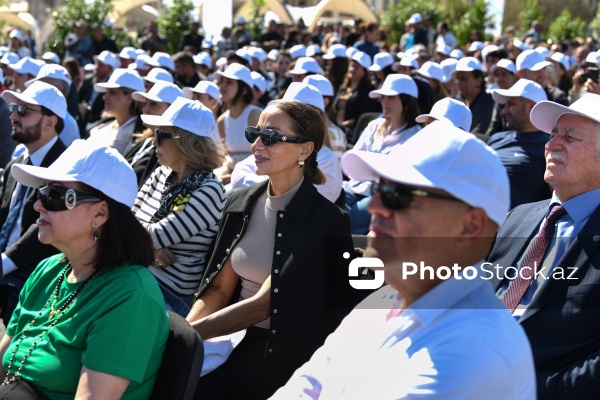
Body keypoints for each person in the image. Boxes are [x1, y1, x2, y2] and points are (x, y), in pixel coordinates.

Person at [272, 121, 536, 399]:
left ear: (469, 226)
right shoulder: (389, 298)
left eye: (397, 195)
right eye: (380, 189)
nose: (374, 206)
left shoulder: (475, 352)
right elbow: (310, 382)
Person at [186, 99, 360, 399]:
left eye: (270, 138)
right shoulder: (240, 202)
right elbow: (217, 290)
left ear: (304, 150)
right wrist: (182, 337)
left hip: (282, 354)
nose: (256, 145)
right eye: (255, 134)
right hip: (231, 338)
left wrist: (188, 336)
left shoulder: (326, 221)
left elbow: (263, 305)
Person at [0, 139, 168, 398]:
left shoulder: (130, 296)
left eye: (54, 196)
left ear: (100, 214)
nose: (38, 204)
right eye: (43, 192)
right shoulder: (48, 270)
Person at [487, 93, 600, 399]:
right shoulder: (520, 217)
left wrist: (536, 390)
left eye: (570, 136)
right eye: (552, 135)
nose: (552, 144)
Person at [133, 98, 226, 317]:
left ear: (185, 141)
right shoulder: (162, 172)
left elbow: (146, 233)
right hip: (141, 276)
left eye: (160, 134)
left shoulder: (210, 190)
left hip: (169, 295)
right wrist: (153, 248)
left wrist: (149, 242)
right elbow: (130, 217)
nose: (154, 142)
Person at [0, 81, 68, 325]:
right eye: (13, 109)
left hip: (33, 270)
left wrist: (4, 263)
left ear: (50, 122)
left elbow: (42, 230)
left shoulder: (65, 168)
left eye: (24, 111)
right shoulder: (17, 161)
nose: (14, 116)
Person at [343, 74, 421, 234]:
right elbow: (356, 157)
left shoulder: (416, 136)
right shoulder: (374, 126)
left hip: (384, 196)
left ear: (407, 101)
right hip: (355, 186)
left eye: (391, 97)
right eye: (383, 97)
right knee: (326, 208)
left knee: (344, 220)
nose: (384, 101)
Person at [488, 79, 551, 208]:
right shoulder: (496, 139)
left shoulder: (551, 146)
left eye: (510, 104)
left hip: (513, 224)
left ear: (531, 107)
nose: (504, 111)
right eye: (504, 105)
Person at [126, 80, 184, 185]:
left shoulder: (169, 152)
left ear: (172, 111)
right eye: (145, 103)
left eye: (153, 104)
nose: (145, 109)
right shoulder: (145, 140)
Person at [214, 63, 262, 184]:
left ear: (244, 90)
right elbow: (226, 156)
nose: (222, 86)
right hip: (232, 173)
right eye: (222, 81)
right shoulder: (221, 121)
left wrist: (233, 178)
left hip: (255, 176)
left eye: (229, 82)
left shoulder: (255, 115)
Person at [87, 68, 145, 155]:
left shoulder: (139, 133)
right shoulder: (104, 124)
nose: (104, 97)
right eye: (106, 92)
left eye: (112, 92)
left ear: (129, 97)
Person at [330, 51, 380, 140]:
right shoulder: (344, 86)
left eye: (356, 67)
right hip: (336, 128)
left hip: (353, 133)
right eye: (351, 65)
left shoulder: (368, 89)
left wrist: (345, 125)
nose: (352, 69)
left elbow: (364, 115)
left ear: (364, 71)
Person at [455, 57, 495, 138]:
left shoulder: (489, 102)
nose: (459, 83)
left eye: (463, 78)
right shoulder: (462, 104)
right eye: (458, 78)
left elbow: (481, 132)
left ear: (478, 80)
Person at [485, 59, 519, 137]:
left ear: (514, 76)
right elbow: (493, 129)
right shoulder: (498, 100)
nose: (500, 78)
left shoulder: (522, 98)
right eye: (497, 75)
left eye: (504, 74)